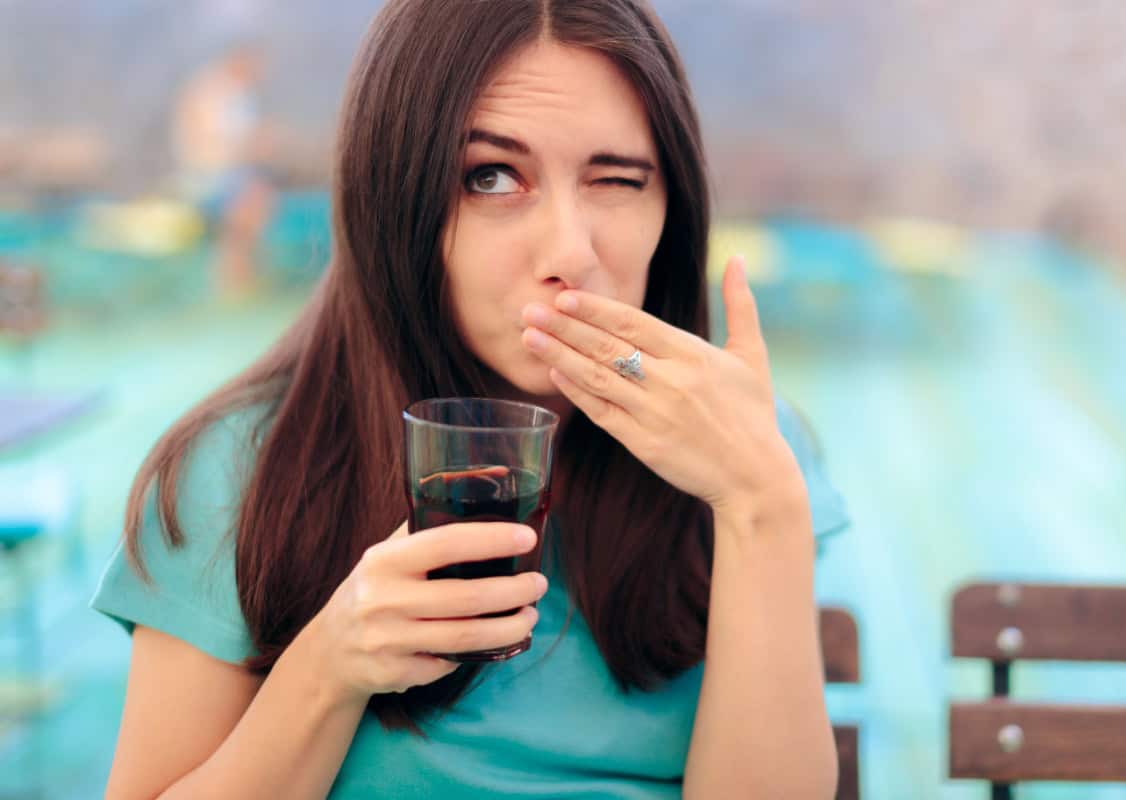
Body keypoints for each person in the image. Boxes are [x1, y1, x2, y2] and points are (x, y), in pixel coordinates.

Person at [92, 1, 852, 797]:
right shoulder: (240, 470)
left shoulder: (751, 452)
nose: (571, 253)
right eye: (492, 177)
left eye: (617, 178)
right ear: (395, 201)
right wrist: (327, 671)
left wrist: (761, 502)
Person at [171, 43, 276, 299]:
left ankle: (242, 279)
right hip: (209, 177)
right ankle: (233, 282)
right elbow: (204, 147)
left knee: (256, 201)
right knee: (249, 205)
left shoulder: (243, 96)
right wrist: (251, 147)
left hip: (236, 174)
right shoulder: (209, 92)